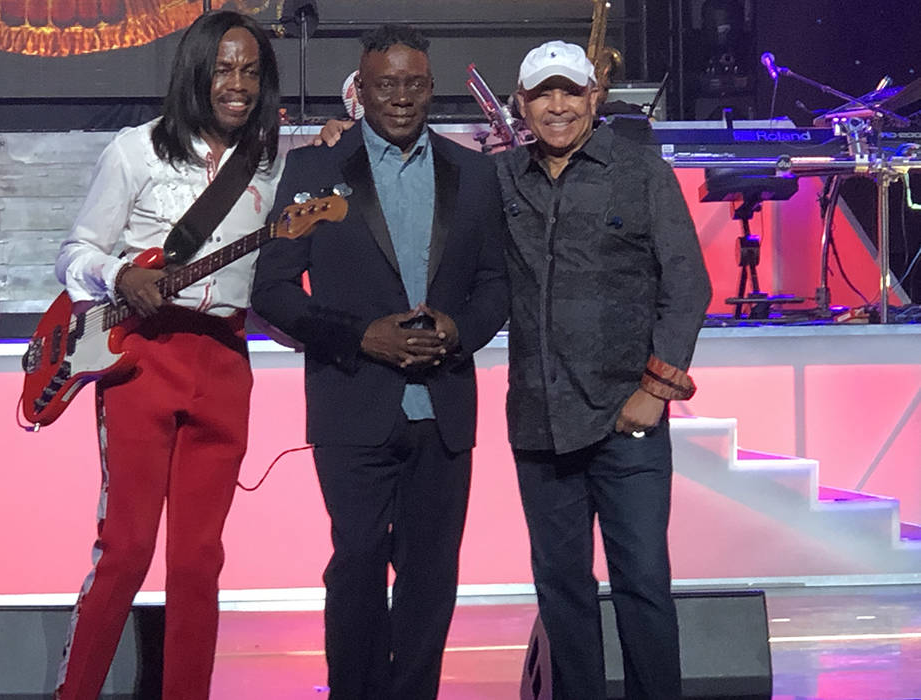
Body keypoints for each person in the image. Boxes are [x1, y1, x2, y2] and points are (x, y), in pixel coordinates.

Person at [251, 24, 509, 700]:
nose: (400, 97)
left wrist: (458, 331)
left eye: (413, 84)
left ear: (431, 87)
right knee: (359, 563)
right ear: (360, 91)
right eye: (385, 85)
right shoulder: (313, 172)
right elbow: (273, 289)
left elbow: (496, 285)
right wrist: (361, 336)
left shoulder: (475, 173)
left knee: (430, 574)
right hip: (352, 399)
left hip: (443, 406)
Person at [52, 11, 282, 699]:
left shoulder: (273, 160)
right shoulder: (137, 150)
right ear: (197, 72)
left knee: (197, 562)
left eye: (250, 71)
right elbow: (75, 254)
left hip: (226, 361)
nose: (236, 84)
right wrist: (121, 275)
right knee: (125, 552)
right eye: (223, 68)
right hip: (144, 360)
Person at [498, 41, 711, 699]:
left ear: (595, 97)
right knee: (562, 589)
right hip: (540, 421)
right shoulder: (501, 178)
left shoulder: (641, 171)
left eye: (570, 92)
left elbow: (688, 282)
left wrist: (658, 385)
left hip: (628, 420)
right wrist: (345, 133)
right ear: (522, 104)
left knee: (642, 581)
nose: (557, 106)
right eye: (542, 94)